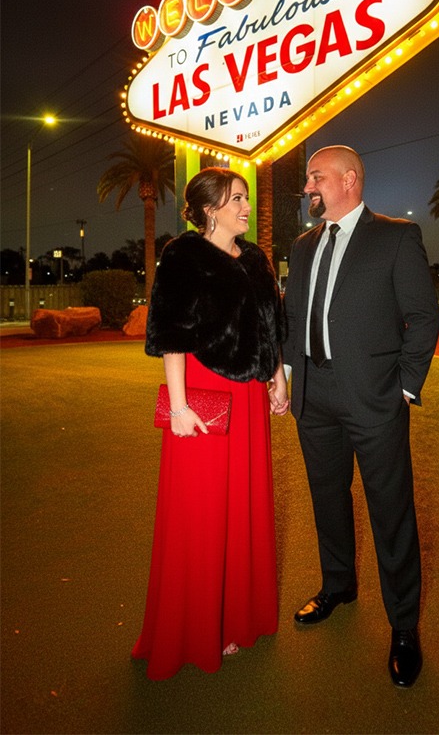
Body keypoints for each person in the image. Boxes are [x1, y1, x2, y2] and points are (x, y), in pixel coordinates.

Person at [282, 145, 439, 688]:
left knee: (390, 512)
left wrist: (404, 389)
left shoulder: (396, 237)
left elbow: (422, 319)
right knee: (328, 498)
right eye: (308, 179)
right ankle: (338, 585)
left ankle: (403, 628)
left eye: (316, 177)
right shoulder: (303, 247)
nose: (308, 187)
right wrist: (285, 373)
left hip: (374, 399)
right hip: (314, 396)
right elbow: (293, 317)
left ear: (349, 180)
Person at [132, 167, 289, 680]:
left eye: (245, 197)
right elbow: (171, 336)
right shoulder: (183, 254)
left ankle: (235, 619)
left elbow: (270, 327)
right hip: (202, 397)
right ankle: (198, 625)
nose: (246, 207)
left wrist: (276, 378)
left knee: (243, 504)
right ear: (208, 208)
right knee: (200, 511)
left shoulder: (257, 259)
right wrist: (178, 407)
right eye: (237, 199)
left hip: (248, 398)